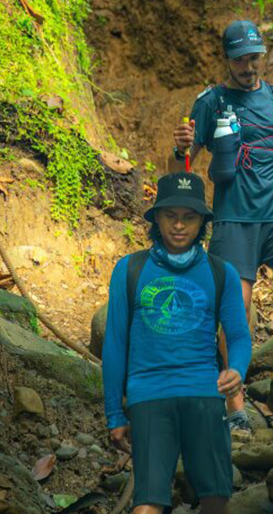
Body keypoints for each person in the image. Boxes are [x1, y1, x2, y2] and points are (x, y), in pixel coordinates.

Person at [168, 20, 273, 431]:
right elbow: (179, 171)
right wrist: (179, 148)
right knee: (235, 311)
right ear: (227, 59)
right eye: (240, 58)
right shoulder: (210, 103)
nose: (249, 66)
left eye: (254, 57)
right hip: (233, 221)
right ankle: (236, 408)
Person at [103, 171, 252, 514]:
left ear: (202, 222)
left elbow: (239, 334)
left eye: (189, 217)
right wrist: (114, 413)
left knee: (216, 498)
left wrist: (237, 369)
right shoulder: (130, 269)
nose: (180, 226)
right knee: (148, 503)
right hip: (149, 395)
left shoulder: (221, 272)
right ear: (156, 217)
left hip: (204, 394)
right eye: (171, 216)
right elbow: (114, 345)